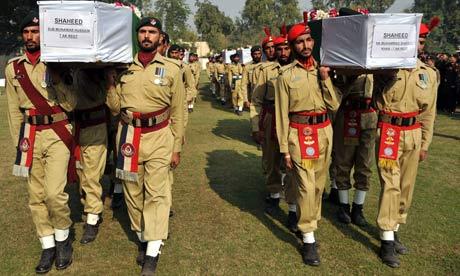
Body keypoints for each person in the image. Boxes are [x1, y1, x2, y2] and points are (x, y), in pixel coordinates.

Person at [105, 17, 185, 275]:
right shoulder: (123, 67)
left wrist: (176, 146)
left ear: (160, 37)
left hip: (160, 135)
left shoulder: (172, 68)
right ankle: (143, 235)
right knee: (131, 190)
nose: (147, 36)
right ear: (137, 36)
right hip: (128, 135)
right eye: (143, 32)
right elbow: (116, 108)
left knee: (157, 192)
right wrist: (109, 82)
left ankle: (152, 251)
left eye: (152, 32)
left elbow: (179, 110)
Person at [5, 11, 76, 273]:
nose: (30, 36)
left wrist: (58, 78)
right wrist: (18, 142)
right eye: (26, 32)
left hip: (57, 132)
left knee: (54, 193)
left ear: (44, 35)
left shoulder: (57, 63)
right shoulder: (13, 67)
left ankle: (63, 239)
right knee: (35, 196)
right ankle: (47, 246)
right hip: (29, 135)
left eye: (35, 32)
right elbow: (13, 109)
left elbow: (72, 104)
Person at [372, 20, 438, 268]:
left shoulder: (429, 74)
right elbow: (373, 96)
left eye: (422, 41)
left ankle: (395, 227)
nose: (418, 45)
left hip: (413, 133)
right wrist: (384, 77)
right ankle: (386, 240)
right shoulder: (387, 69)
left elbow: (428, 113)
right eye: (415, 40)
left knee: (405, 187)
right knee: (390, 184)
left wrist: (425, 144)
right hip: (389, 130)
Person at [275, 18, 339, 266]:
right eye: (299, 42)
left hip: (324, 131)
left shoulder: (324, 70)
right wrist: (285, 151)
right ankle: (308, 237)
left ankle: (310, 225)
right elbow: (281, 115)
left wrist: (325, 79)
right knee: (305, 185)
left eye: (308, 40)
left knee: (317, 186)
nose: (305, 45)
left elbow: (334, 105)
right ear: (292, 47)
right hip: (298, 134)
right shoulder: (286, 76)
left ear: (313, 42)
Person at [333, 74, 376, 227]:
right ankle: (343, 206)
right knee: (343, 162)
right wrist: (350, 78)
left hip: (369, 116)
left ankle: (358, 208)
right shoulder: (344, 64)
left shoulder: (377, 63)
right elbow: (335, 93)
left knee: (365, 164)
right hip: (347, 115)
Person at [72, 69, 108, 244]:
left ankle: (92, 219)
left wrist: (89, 72)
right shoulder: (64, 67)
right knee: (80, 173)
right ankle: (89, 207)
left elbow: (98, 95)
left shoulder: (97, 69)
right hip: (74, 126)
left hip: (95, 125)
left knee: (91, 175)